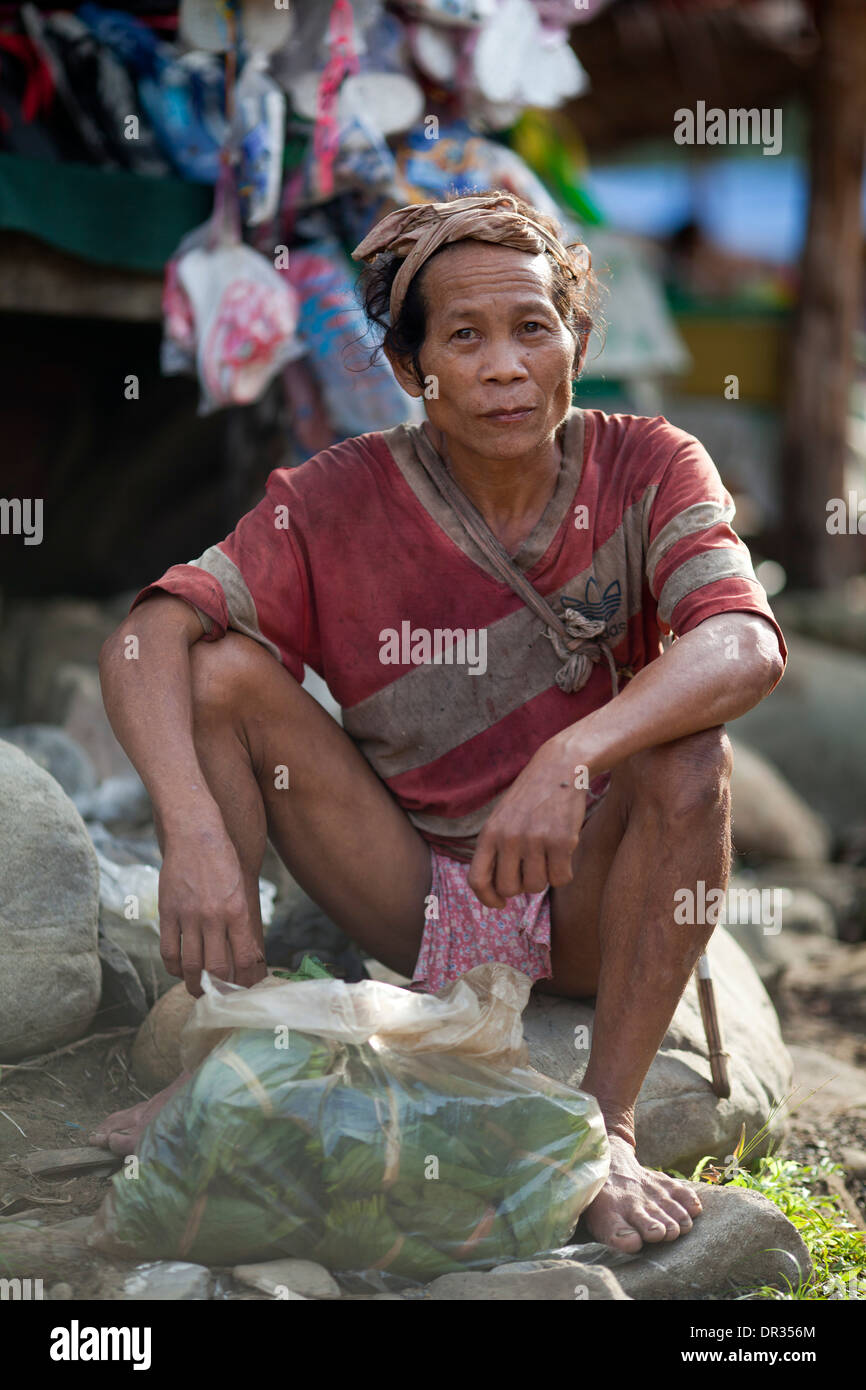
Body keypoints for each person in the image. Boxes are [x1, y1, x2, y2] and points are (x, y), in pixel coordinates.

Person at [92, 191, 786, 1254]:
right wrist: (188, 829)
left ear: (576, 343)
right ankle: (221, 1061)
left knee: (689, 753)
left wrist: (575, 750)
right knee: (219, 670)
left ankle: (602, 1126)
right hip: (414, 893)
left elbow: (744, 641)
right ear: (411, 371)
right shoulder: (333, 498)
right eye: (463, 338)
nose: (505, 365)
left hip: (589, 893)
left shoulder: (648, 462)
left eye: (532, 328)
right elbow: (146, 637)